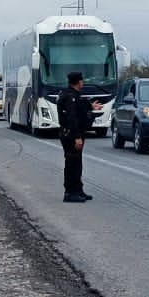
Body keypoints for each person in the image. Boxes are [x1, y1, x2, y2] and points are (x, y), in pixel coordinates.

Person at [56, 71, 94, 202]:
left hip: (74, 134)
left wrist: (91, 106)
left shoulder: (73, 95)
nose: (83, 82)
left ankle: (78, 190)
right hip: (71, 135)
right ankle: (70, 192)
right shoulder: (69, 96)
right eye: (82, 80)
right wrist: (77, 137)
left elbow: (81, 106)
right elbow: (72, 118)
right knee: (72, 163)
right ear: (78, 82)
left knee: (77, 163)